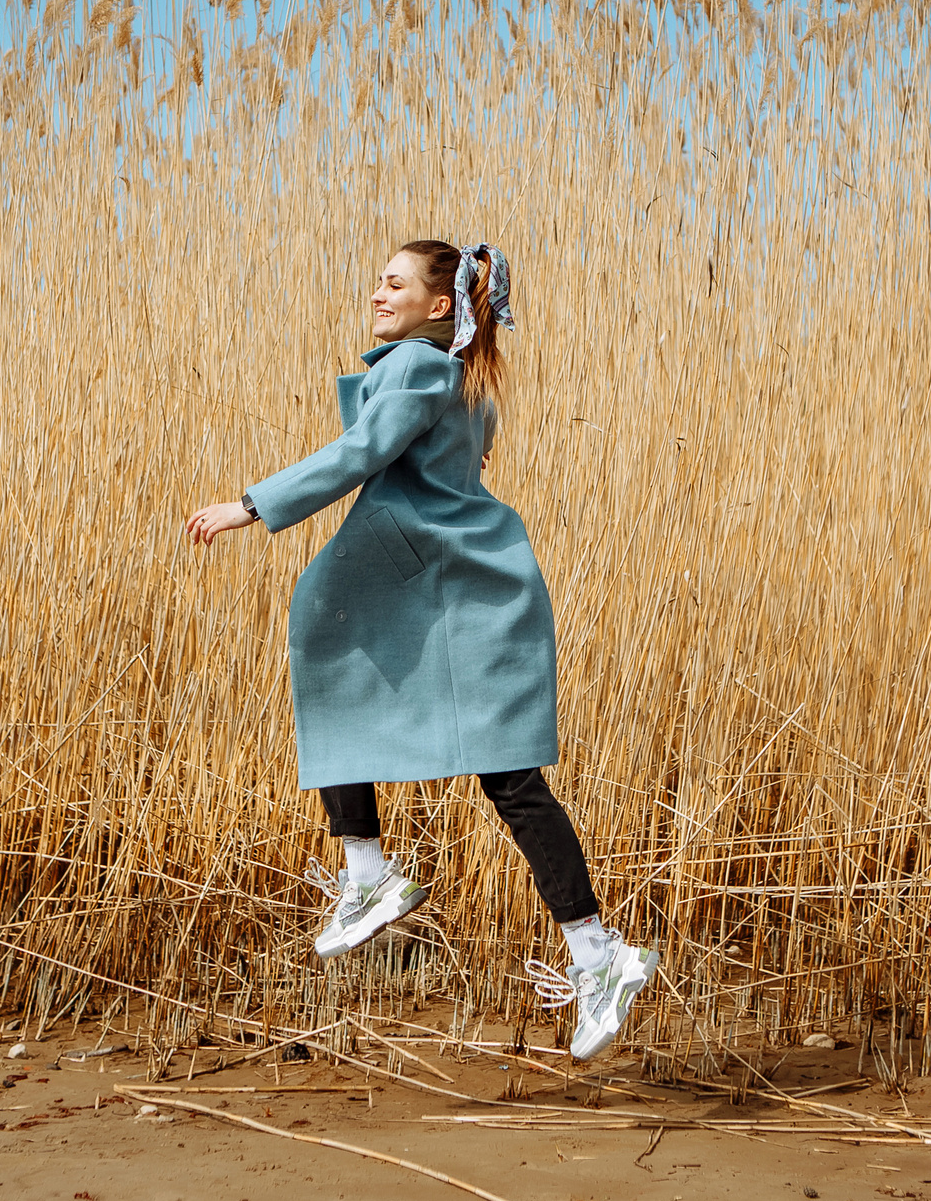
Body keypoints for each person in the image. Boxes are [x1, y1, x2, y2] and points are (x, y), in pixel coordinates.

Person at [184, 239, 659, 1061]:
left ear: (439, 306)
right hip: (472, 587)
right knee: (509, 775)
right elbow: (460, 464)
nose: (377, 293)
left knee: (326, 655)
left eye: (394, 282)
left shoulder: (412, 365)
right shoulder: (469, 381)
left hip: (435, 584)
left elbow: (359, 453)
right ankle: (595, 951)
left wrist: (252, 505)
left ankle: (368, 869)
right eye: (379, 280)